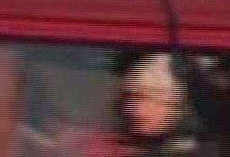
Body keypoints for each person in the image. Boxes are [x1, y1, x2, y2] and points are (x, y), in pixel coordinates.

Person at [75, 54, 221, 157]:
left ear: (185, 101)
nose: (135, 110)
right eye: (130, 96)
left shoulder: (212, 150)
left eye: (154, 96)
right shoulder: (95, 145)